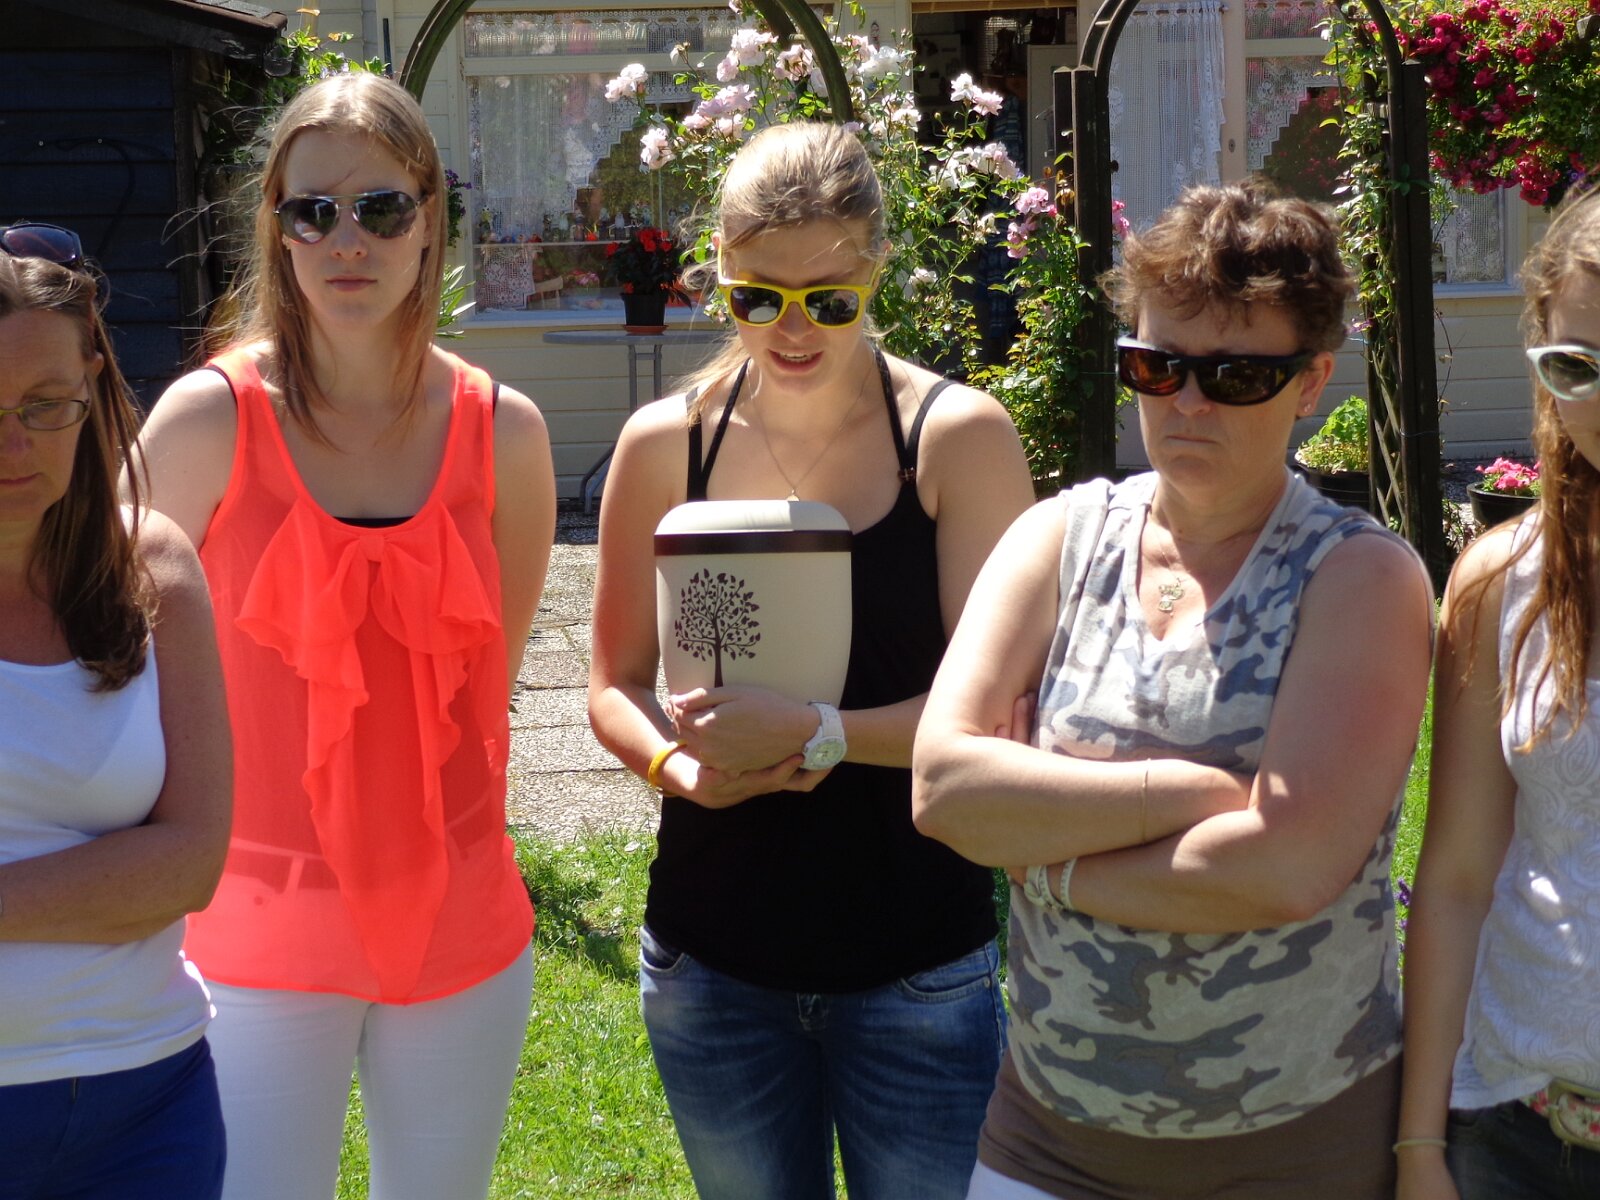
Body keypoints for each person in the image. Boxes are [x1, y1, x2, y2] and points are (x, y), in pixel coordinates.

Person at [913, 181, 1434, 1199]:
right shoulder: (1056, 540)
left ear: (1310, 383)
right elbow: (941, 790)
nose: (1188, 403)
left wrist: (1043, 860)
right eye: (1157, 366)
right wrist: (1191, 795)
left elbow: (1287, 865)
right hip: (1047, 1136)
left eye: (1236, 375)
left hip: (1296, 1147)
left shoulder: (1357, 576)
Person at [587, 120, 1036, 1200]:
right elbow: (613, 683)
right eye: (758, 299)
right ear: (718, 275)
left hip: (916, 959)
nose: (792, 330)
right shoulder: (666, 444)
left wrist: (817, 734)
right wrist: (676, 768)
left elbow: (998, 714)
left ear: (876, 270)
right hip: (711, 958)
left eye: (828, 300)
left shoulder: (956, 439)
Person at [131, 73, 556, 1200]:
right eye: (312, 211)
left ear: (430, 217)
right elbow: (115, 664)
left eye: (380, 207)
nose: (346, 240)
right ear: (276, 227)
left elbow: (493, 683)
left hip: (462, 924)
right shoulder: (207, 420)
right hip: (252, 935)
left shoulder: (505, 435)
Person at [0, 226, 231, 1197]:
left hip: (149, 1102)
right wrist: (105, 886)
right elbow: (150, 867)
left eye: (45, 405)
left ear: (94, 388)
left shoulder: (157, 568)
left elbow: (192, 862)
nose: (13, 446)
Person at [1396, 188, 1600, 1200]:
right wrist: (1419, 1144)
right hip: (1520, 1135)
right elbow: (1456, 879)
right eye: (1577, 367)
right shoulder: (1496, 583)